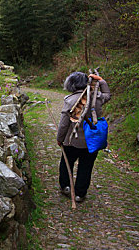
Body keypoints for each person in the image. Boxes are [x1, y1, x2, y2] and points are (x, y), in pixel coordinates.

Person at [56, 71, 111, 202]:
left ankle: (66, 187)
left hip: (72, 141)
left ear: (72, 85)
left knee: (66, 163)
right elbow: (108, 95)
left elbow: (64, 124)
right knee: (86, 167)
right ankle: (80, 193)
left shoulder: (70, 101)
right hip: (92, 141)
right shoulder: (96, 98)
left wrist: (59, 139)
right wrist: (101, 80)